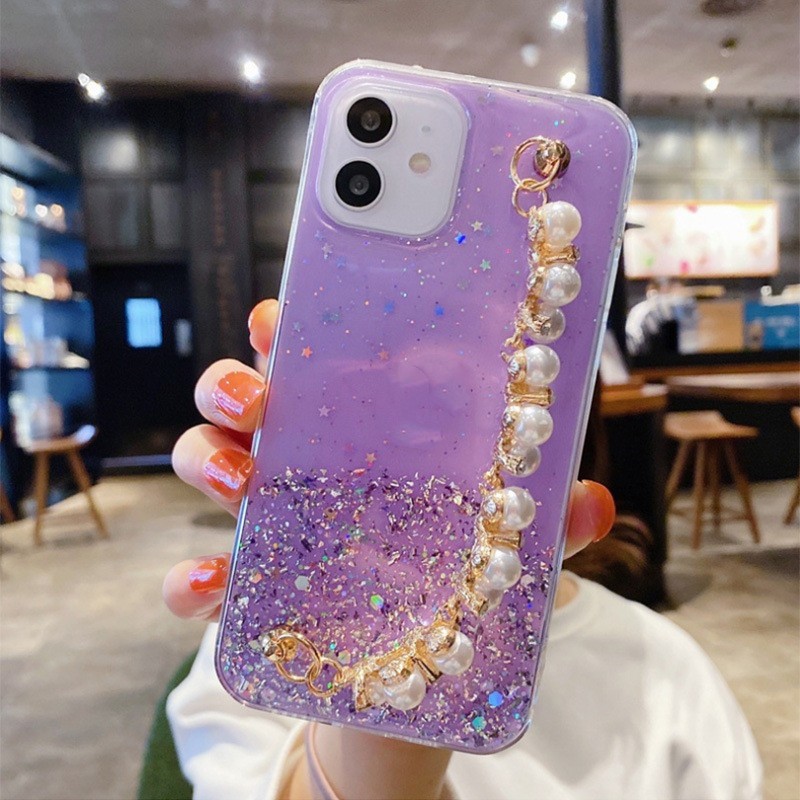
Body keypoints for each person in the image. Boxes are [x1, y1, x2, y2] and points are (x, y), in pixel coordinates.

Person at [163, 300, 762, 800]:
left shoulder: (666, 679)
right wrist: (389, 703)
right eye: (377, 362)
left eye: (466, 352)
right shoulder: (269, 645)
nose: (418, 388)